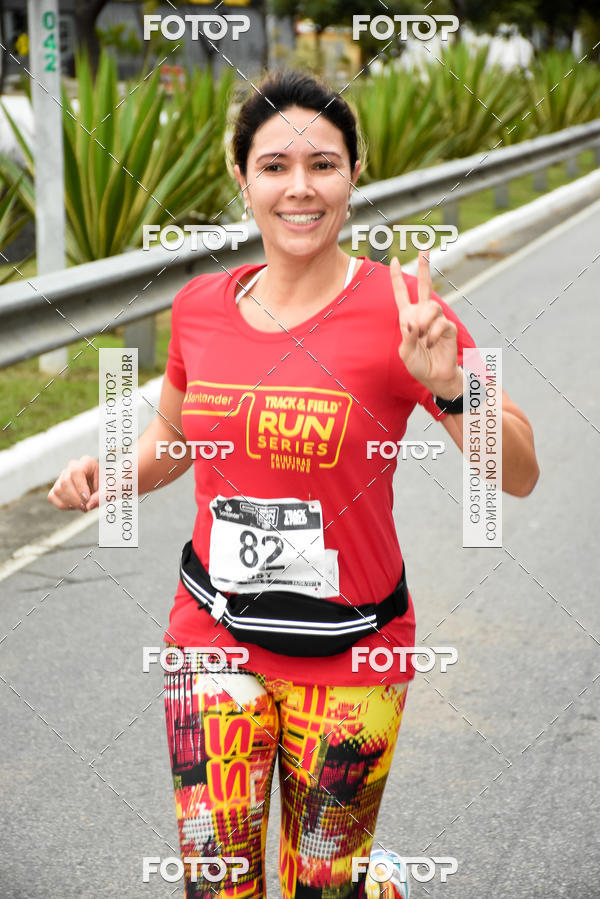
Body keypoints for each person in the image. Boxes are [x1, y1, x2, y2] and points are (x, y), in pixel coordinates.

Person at [48, 70, 539, 899]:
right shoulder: (201, 306)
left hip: (354, 651)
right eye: (275, 166)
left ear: (355, 174)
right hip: (213, 634)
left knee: (324, 884)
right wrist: (115, 475)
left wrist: (454, 385)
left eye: (324, 164)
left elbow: (519, 472)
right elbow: (177, 435)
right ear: (242, 178)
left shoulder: (408, 308)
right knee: (216, 882)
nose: (300, 187)